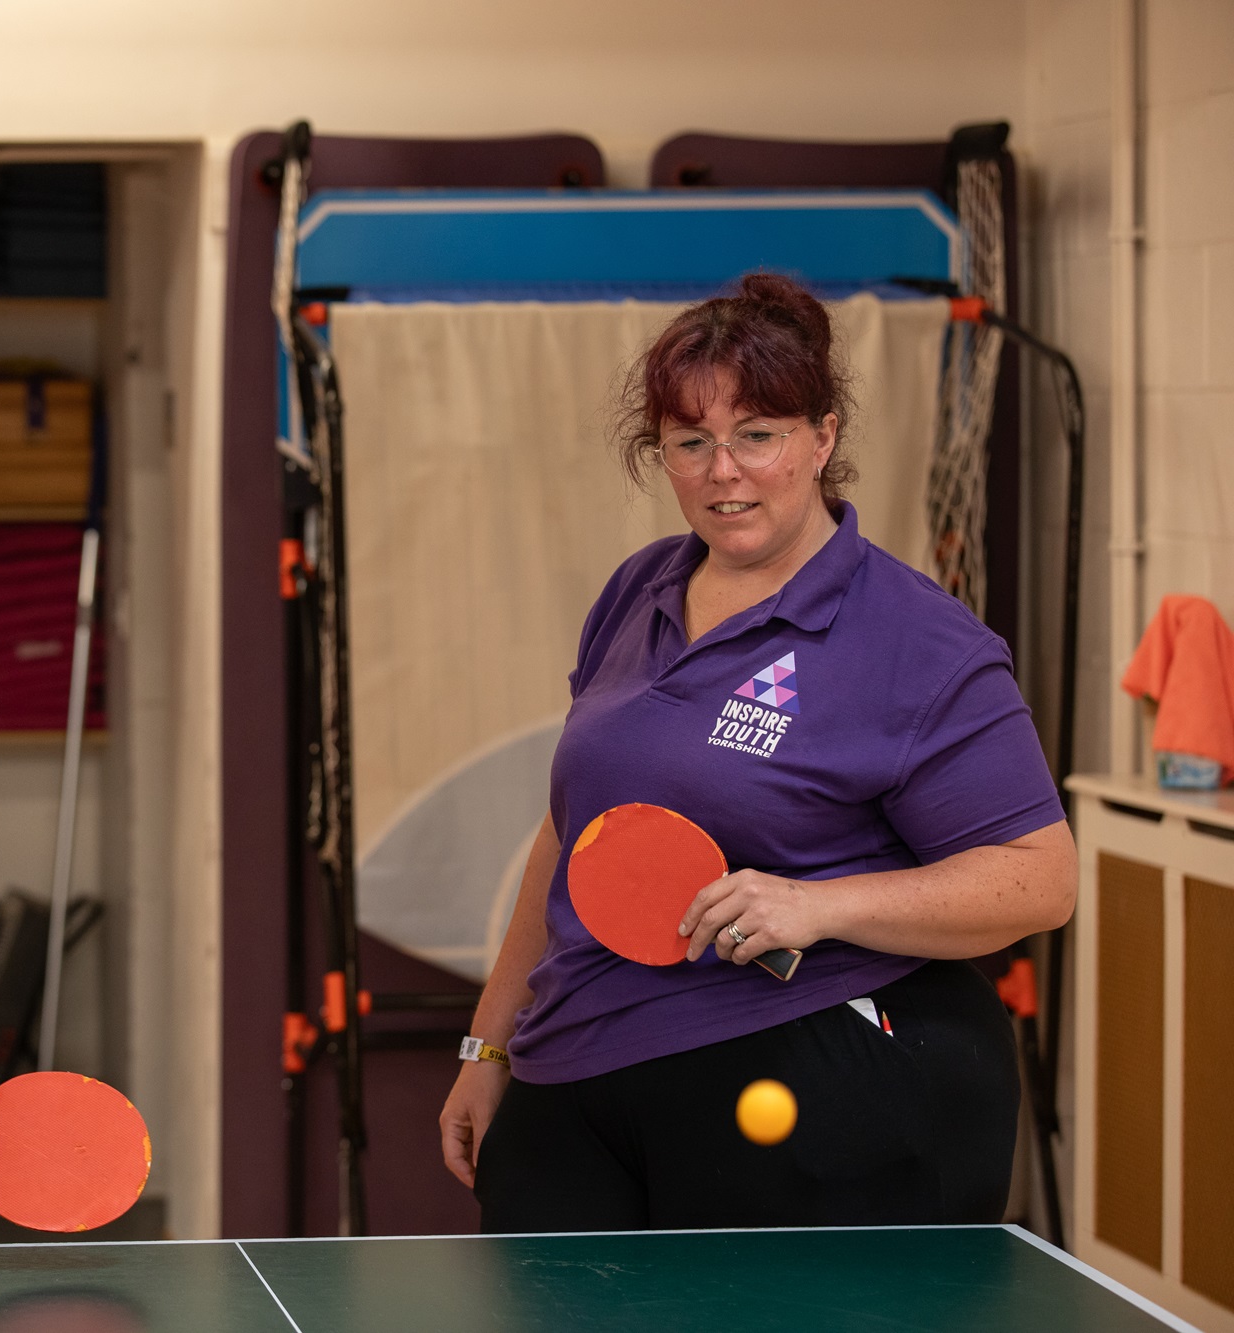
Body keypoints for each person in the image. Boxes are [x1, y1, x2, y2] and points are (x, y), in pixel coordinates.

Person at [438, 273, 1077, 1232]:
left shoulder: (918, 641)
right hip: (573, 1063)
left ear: (823, 436)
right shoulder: (640, 586)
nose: (722, 470)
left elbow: (1041, 881)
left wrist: (816, 903)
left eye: (758, 435)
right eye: (690, 443)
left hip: (807, 1067)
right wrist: (489, 1047)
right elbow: (575, 832)